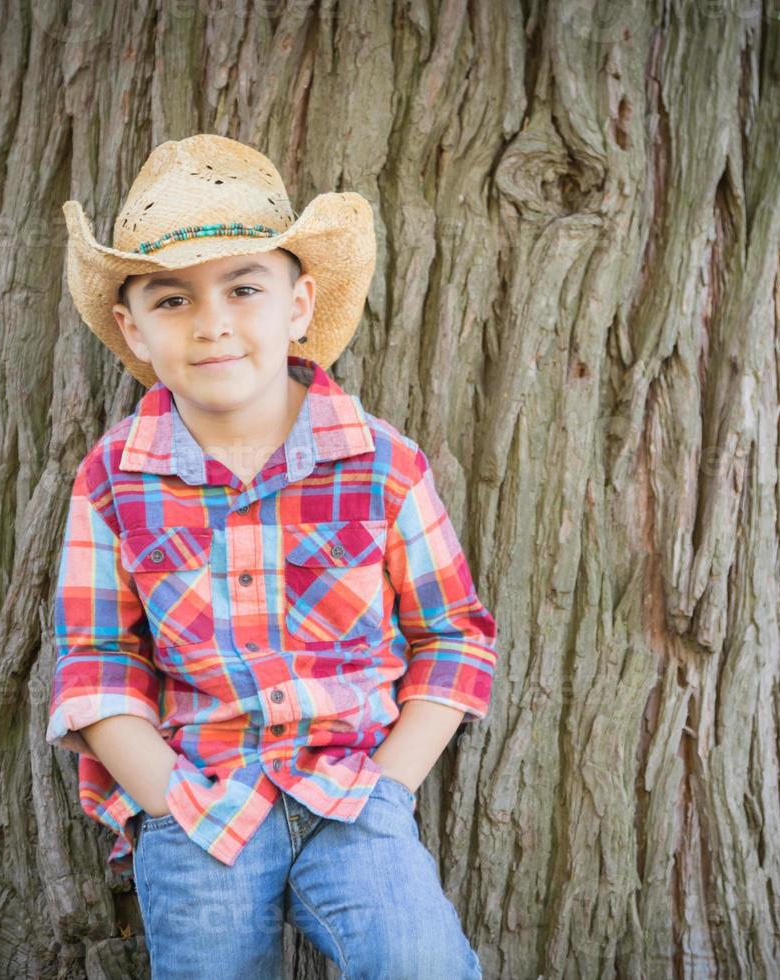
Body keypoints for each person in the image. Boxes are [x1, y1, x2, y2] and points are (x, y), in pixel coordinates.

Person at [47, 133, 497, 980]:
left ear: (297, 305)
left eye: (244, 288)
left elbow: (453, 635)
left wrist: (388, 787)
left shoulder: (380, 462)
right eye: (172, 301)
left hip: (351, 793)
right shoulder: (115, 477)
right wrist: (167, 801)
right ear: (131, 327)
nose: (213, 323)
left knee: (419, 964)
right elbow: (96, 660)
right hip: (199, 798)